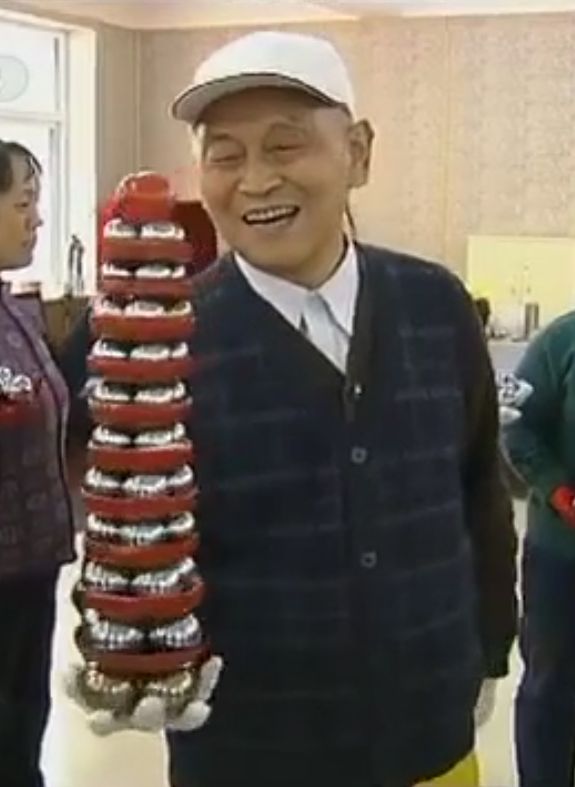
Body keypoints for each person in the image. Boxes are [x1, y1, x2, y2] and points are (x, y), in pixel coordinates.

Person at [62, 32, 517, 787]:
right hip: (251, 747)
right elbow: (111, 524)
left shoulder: (435, 305)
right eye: (225, 155)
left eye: (285, 146)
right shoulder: (148, 338)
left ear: (358, 153)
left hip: (428, 733)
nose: (255, 181)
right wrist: (126, 656)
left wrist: (489, 646)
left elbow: (478, 491)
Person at [0, 140, 75, 787]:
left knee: (23, 722)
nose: (38, 219)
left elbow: (50, 393)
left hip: (30, 563)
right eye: (25, 203)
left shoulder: (13, 308)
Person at [504, 313, 575, 787]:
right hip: (562, 558)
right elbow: (517, 425)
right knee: (550, 688)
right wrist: (557, 491)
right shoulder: (562, 341)